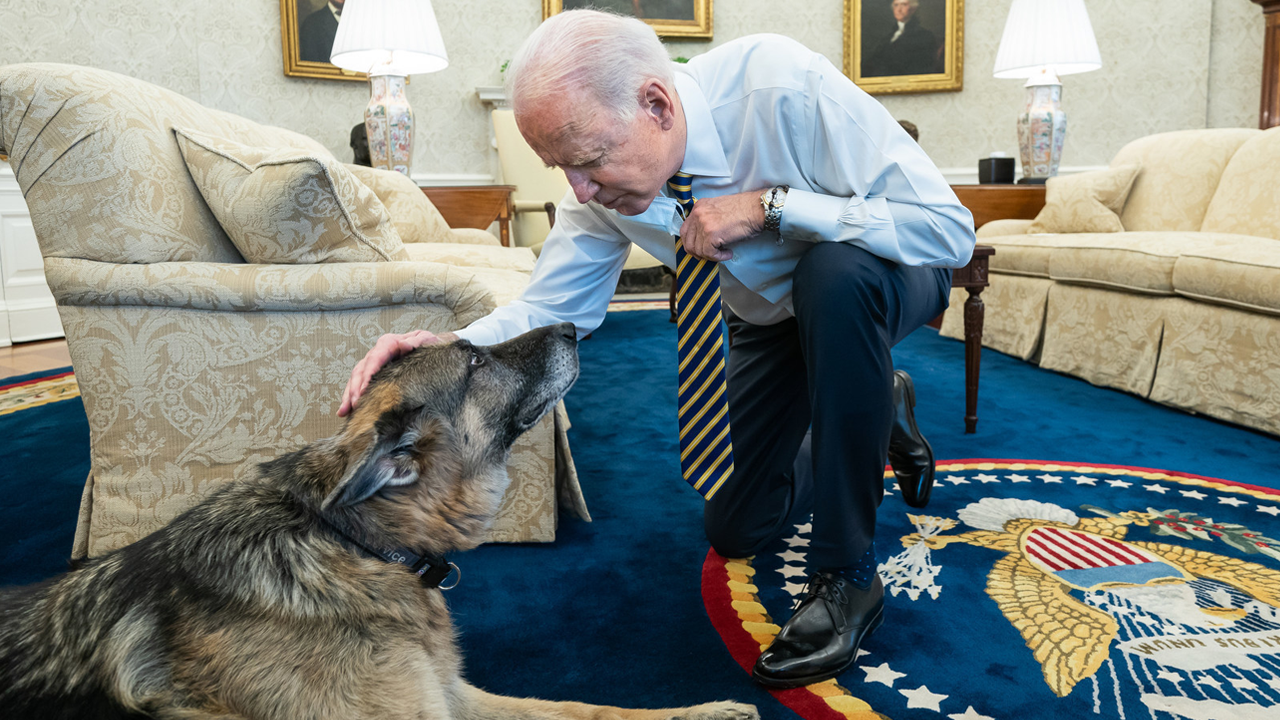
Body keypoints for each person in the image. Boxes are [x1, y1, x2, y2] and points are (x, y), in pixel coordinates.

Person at [338, 9, 975, 689]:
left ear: (656, 104)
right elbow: (556, 310)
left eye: (586, 162)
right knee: (735, 528)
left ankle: (846, 576)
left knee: (833, 275)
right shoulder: (598, 188)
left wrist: (775, 206)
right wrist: (448, 344)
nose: (577, 191)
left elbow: (948, 232)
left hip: (883, 274)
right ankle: (882, 407)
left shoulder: (782, 89)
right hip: (769, 320)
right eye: (561, 169)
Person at [864, 0, 940, 77]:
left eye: (903, 5)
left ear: (913, 9)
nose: (899, 9)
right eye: (896, 5)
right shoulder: (888, 37)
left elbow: (922, 67)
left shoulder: (924, 35)